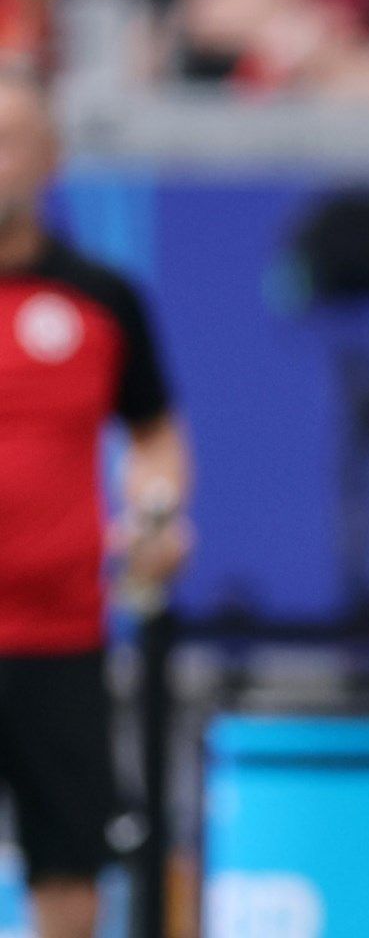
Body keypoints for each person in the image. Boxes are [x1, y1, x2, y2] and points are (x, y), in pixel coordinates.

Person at [0, 75, 191, 938]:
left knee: (70, 857)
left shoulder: (103, 298)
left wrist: (155, 514)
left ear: (49, 159)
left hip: (60, 638)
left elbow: (153, 438)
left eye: (11, 139)